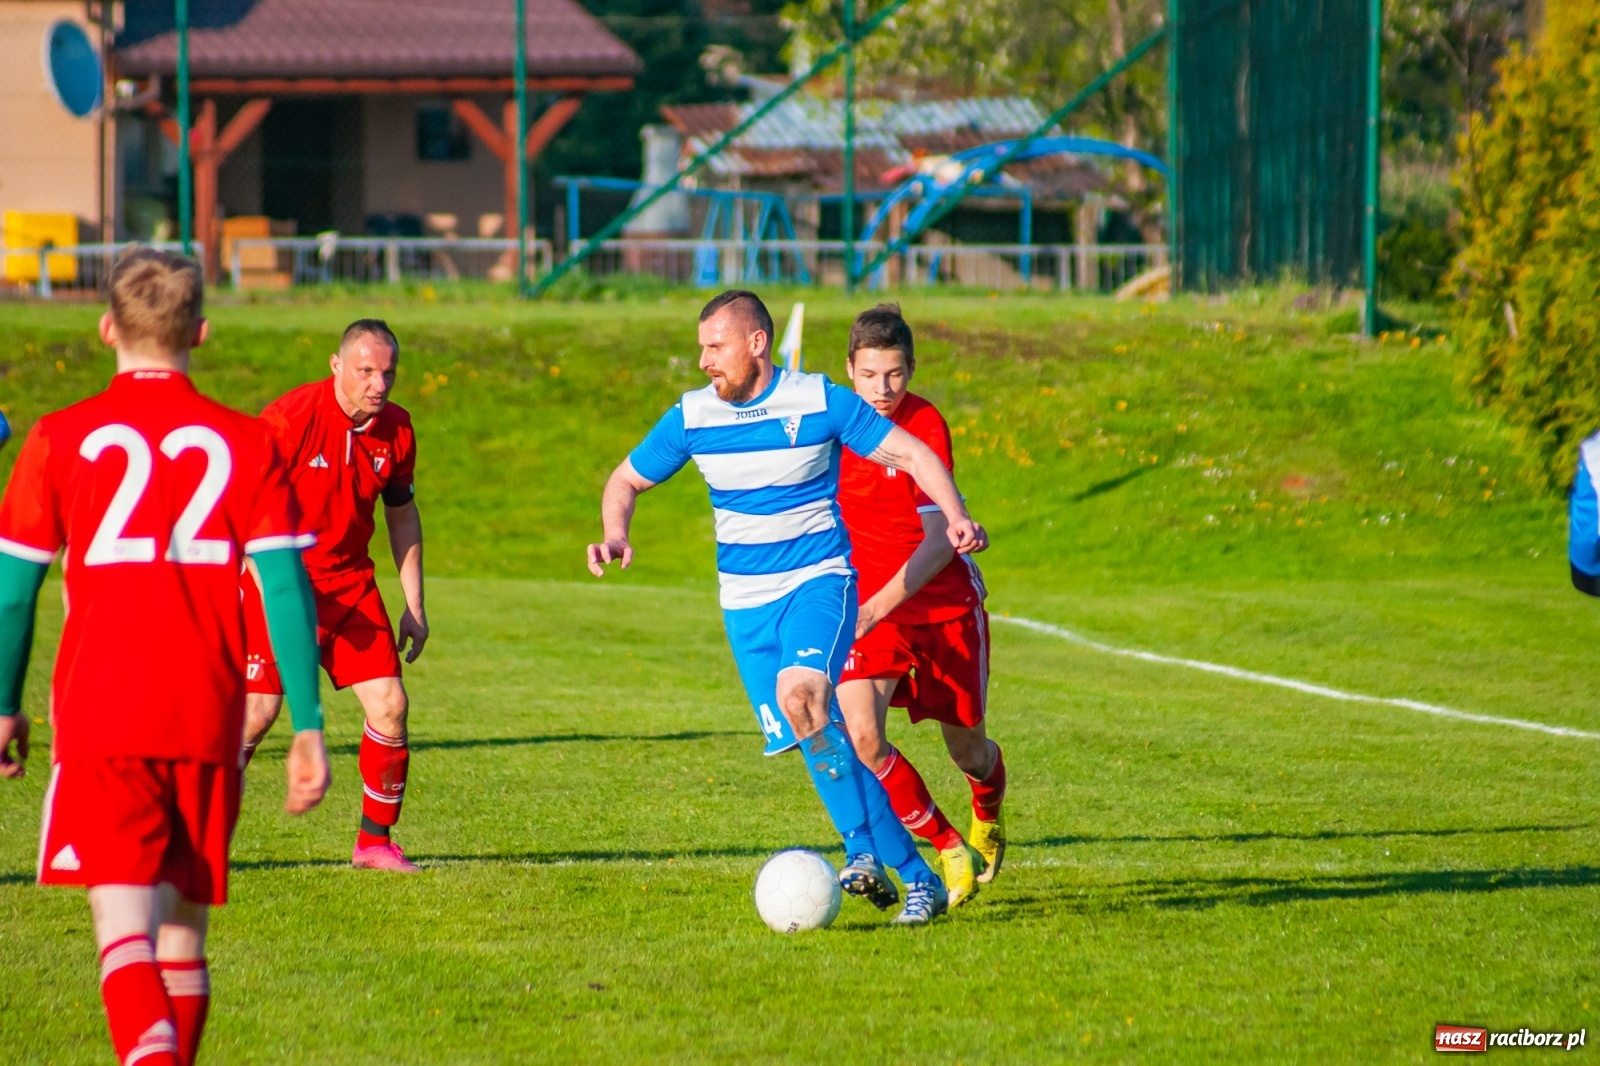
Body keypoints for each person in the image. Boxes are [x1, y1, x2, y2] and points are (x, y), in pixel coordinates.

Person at [0, 248, 329, 1066]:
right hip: (206, 713)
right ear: (202, 333)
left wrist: (4, 704)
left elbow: (12, 594)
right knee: (182, 935)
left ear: (105, 327)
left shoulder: (57, 436)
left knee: (124, 935)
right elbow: (286, 588)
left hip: (104, 712)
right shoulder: (250, 441)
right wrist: (310, 724)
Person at [586, 290, 989, 925]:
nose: (702, 362)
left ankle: (861, 853)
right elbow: (625, 479)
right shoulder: (693, 416)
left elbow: (910, 451)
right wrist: (616, 532)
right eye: (700, 348)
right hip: (745, 606)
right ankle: (917, 876)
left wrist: (958, 516)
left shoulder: (819, 400)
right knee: (815, 735)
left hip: (818, 582)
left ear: (756, 343)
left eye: (714, 347)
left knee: (805, 695)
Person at [239, 319, 427, 873]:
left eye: (388, 372)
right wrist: (253, 579)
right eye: (366, 370)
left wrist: (414, 604)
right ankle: (193, 836)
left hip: (350, 584)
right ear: (336, 365)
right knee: (256, 714)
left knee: (391, 707)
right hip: (283, 582)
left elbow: (402, 515)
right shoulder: (288, 419)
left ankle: (374, 843)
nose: (379, 383)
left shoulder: (397, 430)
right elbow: (239, 506)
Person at [835, 304, 1007, 908]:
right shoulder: (831, 422)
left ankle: (987, 812)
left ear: (911, 369)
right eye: (869, 375)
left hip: (939, 607)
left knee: (969, 750)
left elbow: (938, 543)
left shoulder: (923, 424)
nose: (883, 390)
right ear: (848, 370)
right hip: (870, 612)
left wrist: (874, 607)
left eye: (896, 374)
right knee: (862, 734)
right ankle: (947, 846)